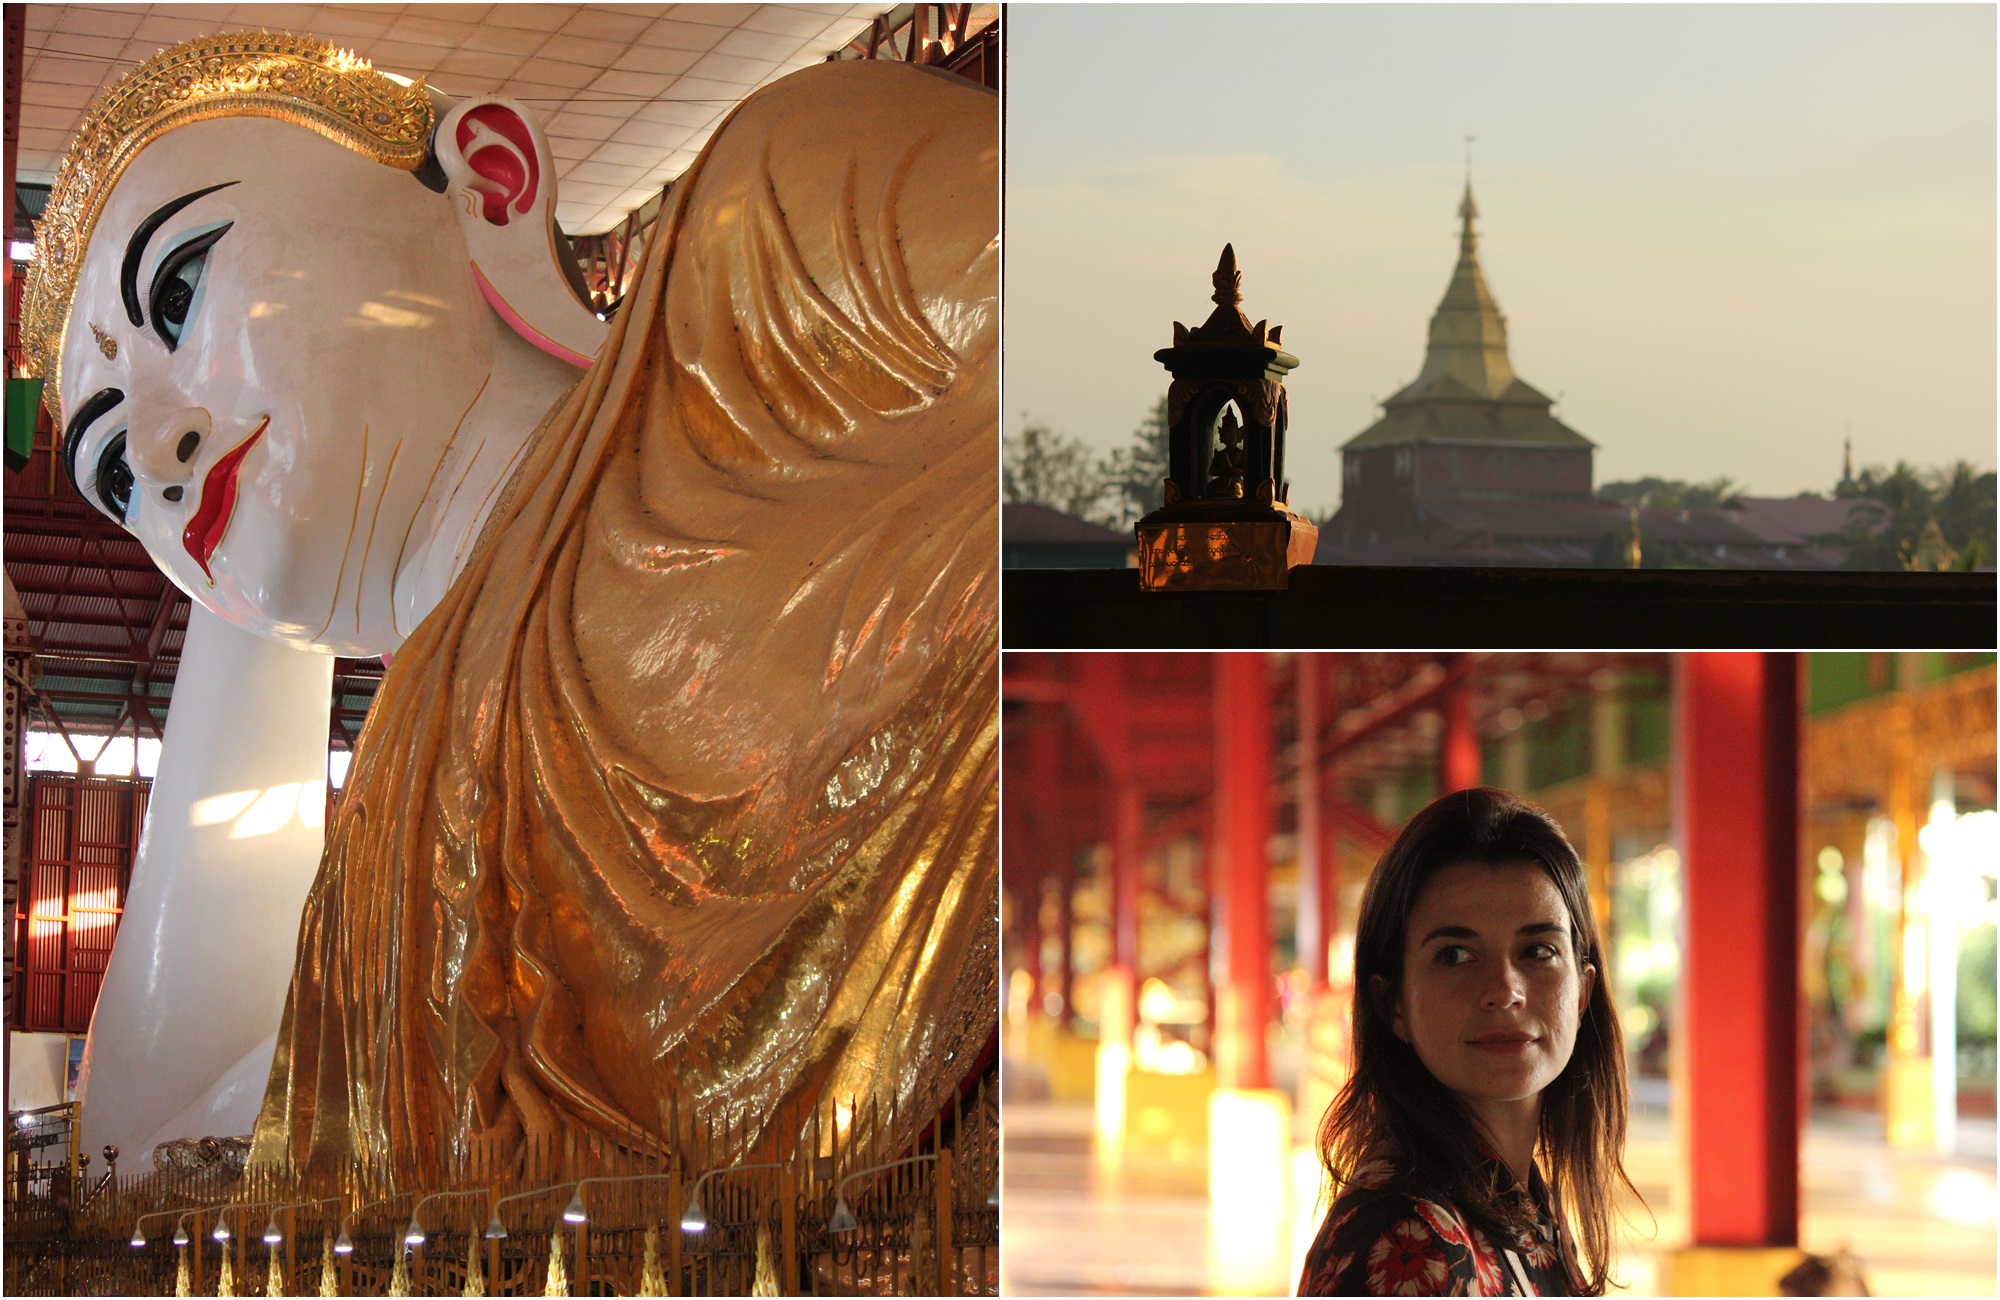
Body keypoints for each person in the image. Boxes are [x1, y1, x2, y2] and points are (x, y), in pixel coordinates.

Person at [24, 31, 997, 1184]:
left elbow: (1140, 417)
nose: (150, 449)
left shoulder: (777, 233)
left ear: (490, 186)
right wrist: (251, 579)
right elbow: (149, 1150)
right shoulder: (411, 813)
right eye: (113, 478)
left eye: (181, 290)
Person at [1297, 788, 1640, 1297]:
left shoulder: (1516, 1200)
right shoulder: (1409, 1238)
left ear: (1584, 990)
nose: (1505, 992)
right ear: (1393, 1003)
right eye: (1455, 955)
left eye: (1538, 951)